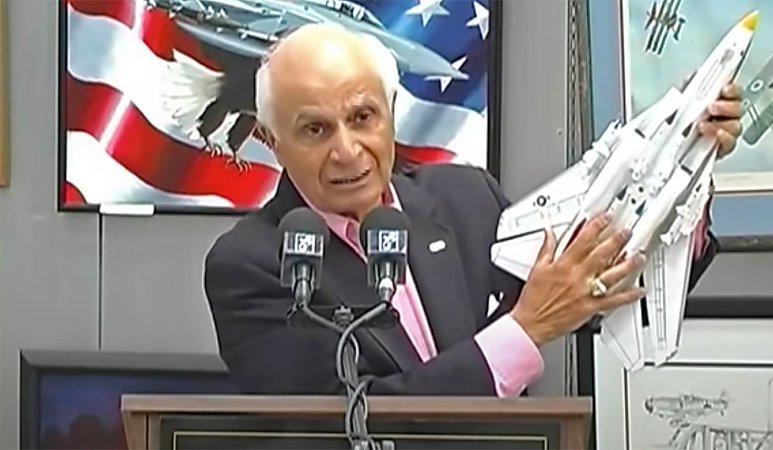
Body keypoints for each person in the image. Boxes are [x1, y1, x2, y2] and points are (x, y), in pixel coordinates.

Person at [203, 24, 744, 397]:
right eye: (315, 130)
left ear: (390, 113)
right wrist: (524, 330)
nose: (347, 150)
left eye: (362, 118)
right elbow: (339, 424)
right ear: (271, 141)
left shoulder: (466, 200)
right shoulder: (249, 265)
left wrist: (688, 168)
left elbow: (591, 293)